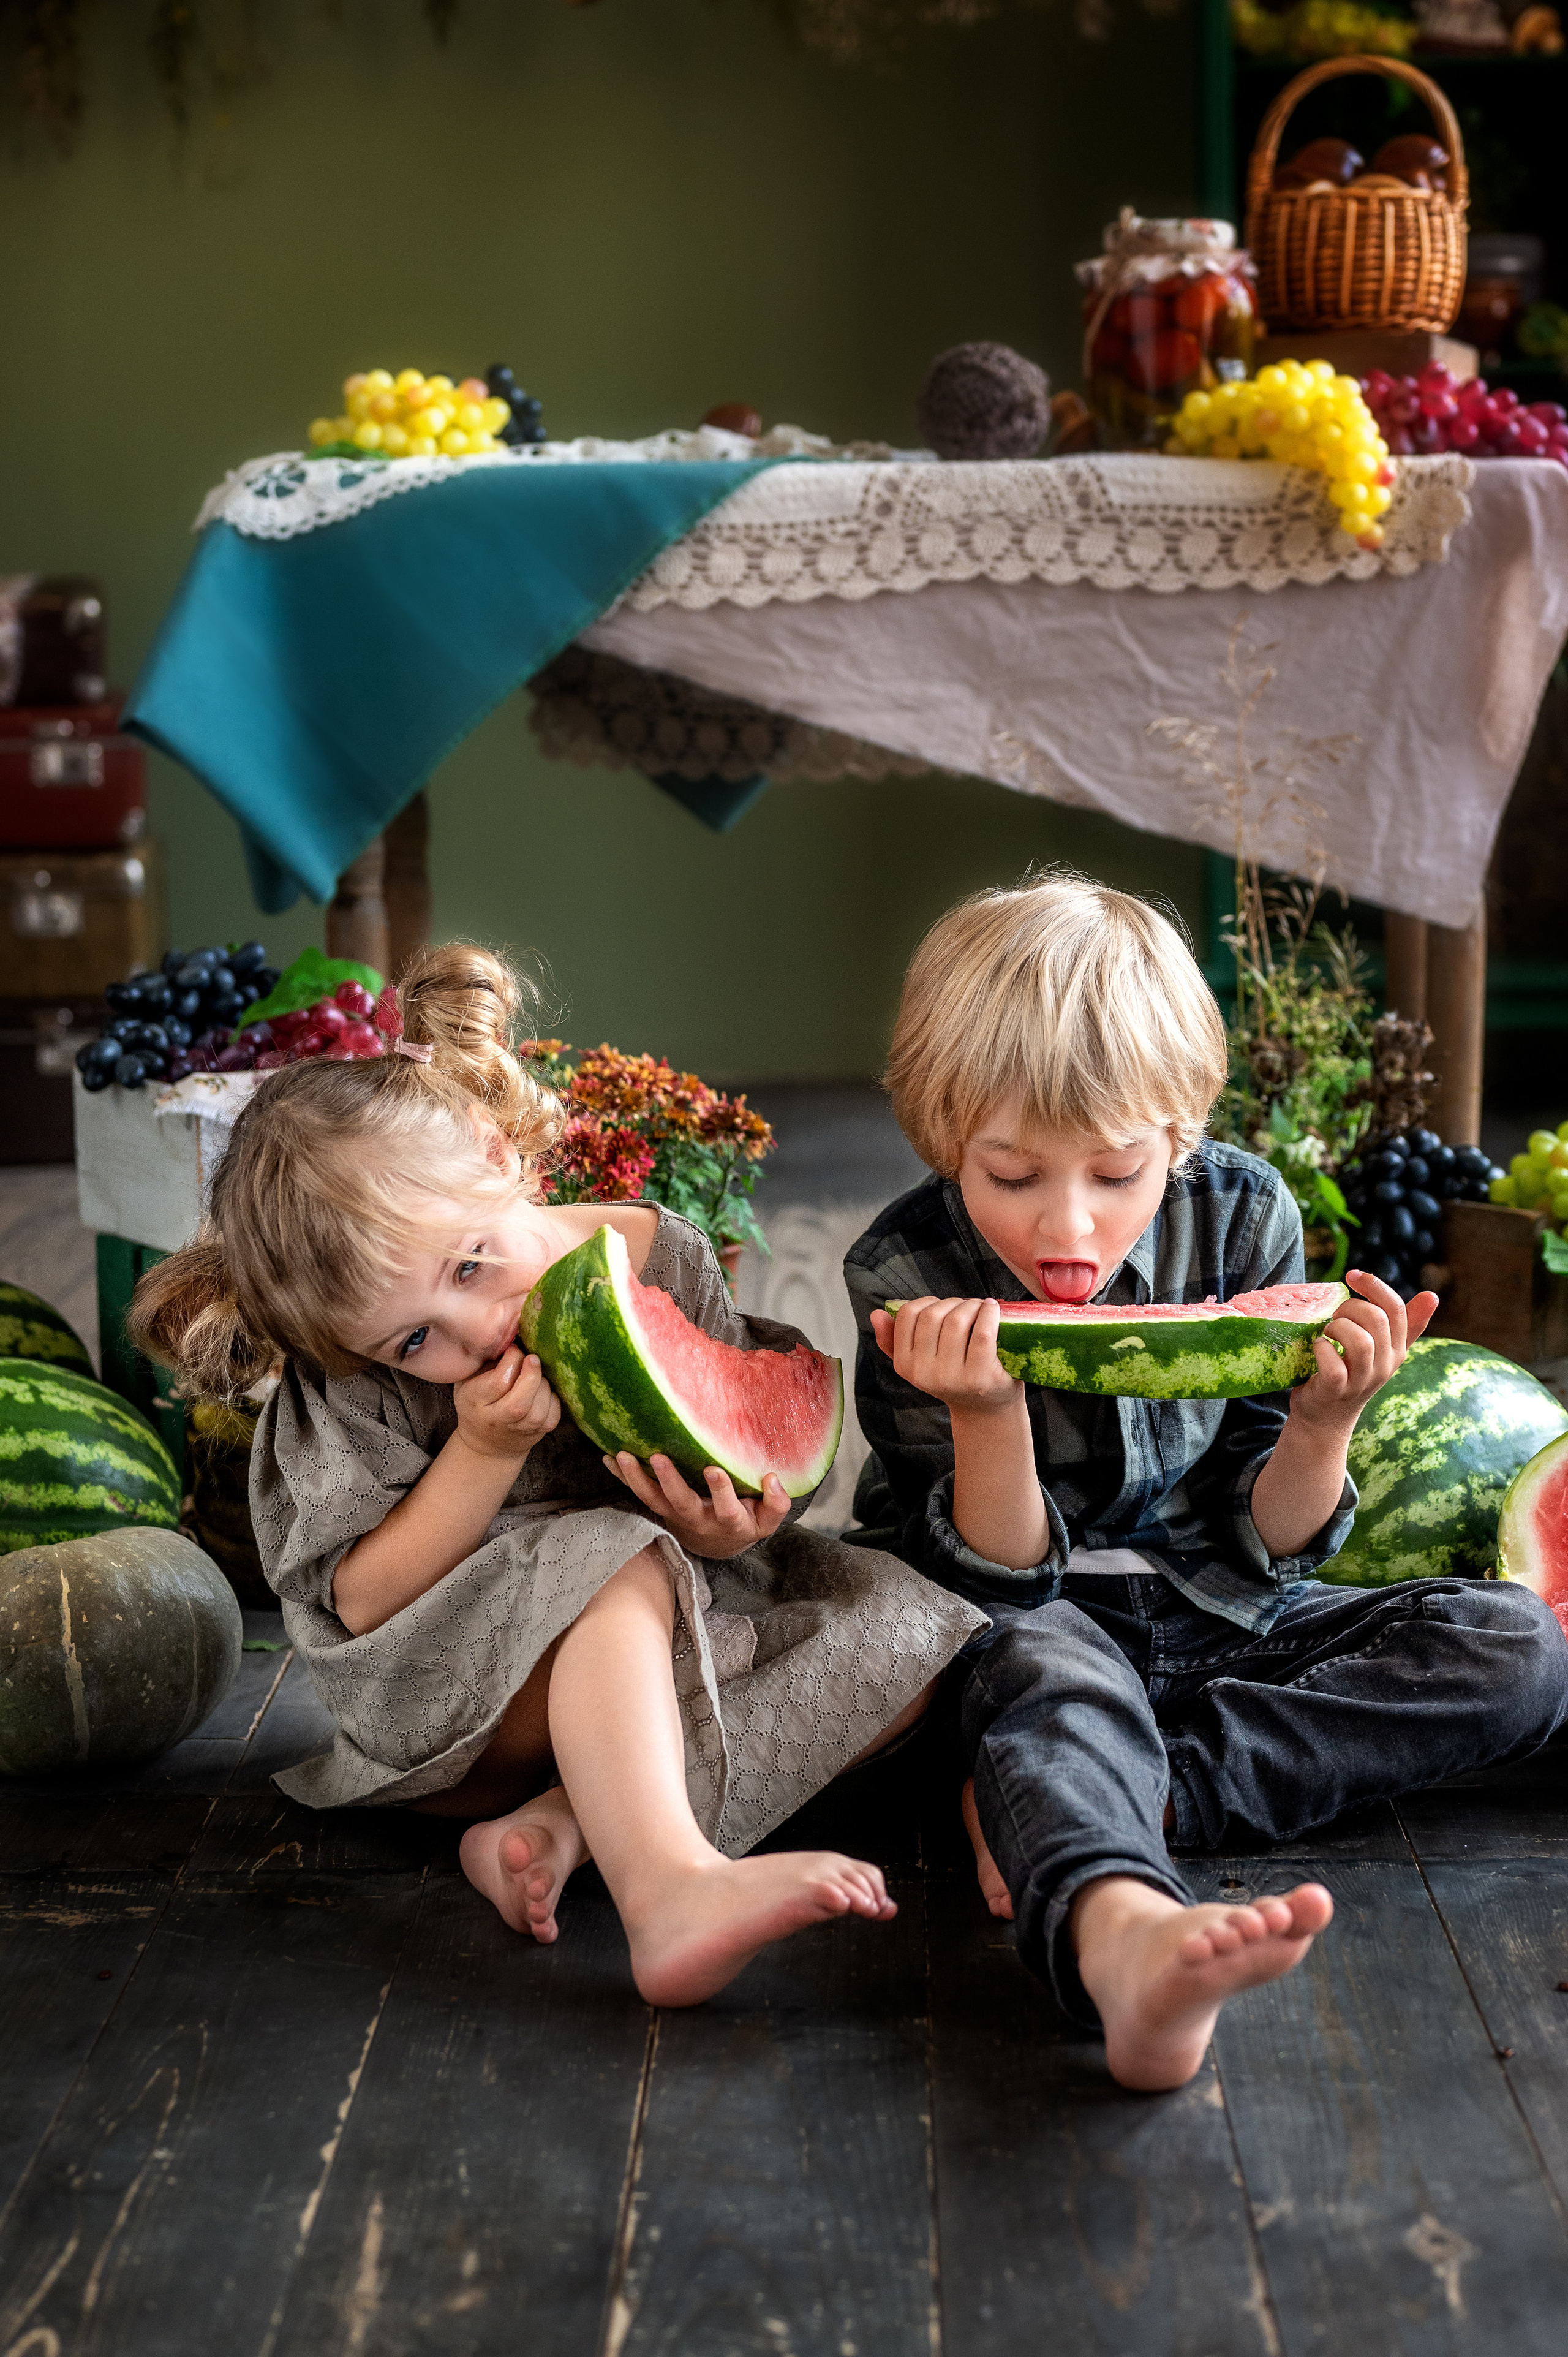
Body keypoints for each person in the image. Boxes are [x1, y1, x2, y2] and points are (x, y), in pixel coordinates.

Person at [132, 944, 982, 2007]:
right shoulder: (347, 1385)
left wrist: (732, 1533)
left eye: (472, 1266)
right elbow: (361, 1599)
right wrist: (482, 1453)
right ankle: (668, 1892)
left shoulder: (656, 1259)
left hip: (672, 1654)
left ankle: (565, 1829)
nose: (474, 1332)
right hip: (455, 1714)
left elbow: (745, 1475)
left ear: (502, 1157)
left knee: (908, 1632)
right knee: (612, 1555)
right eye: (414, 1343)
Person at [845, 873, 1568, 2091]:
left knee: (1513, 1644)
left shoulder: (1243, 1214)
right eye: (1010, 1177)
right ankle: (1126, 1941)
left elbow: (1275, 1541)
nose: (1064, 1228)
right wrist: (984, 1411)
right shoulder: (902, 1263)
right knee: (1042, 1677)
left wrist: (1323, 1423)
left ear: (1175, 1138)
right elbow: (1001, 1577)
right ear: (940, 1137)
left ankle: (1131, 1790)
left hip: (1223, 1608)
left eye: (1116, 1173)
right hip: (1033, 1616)